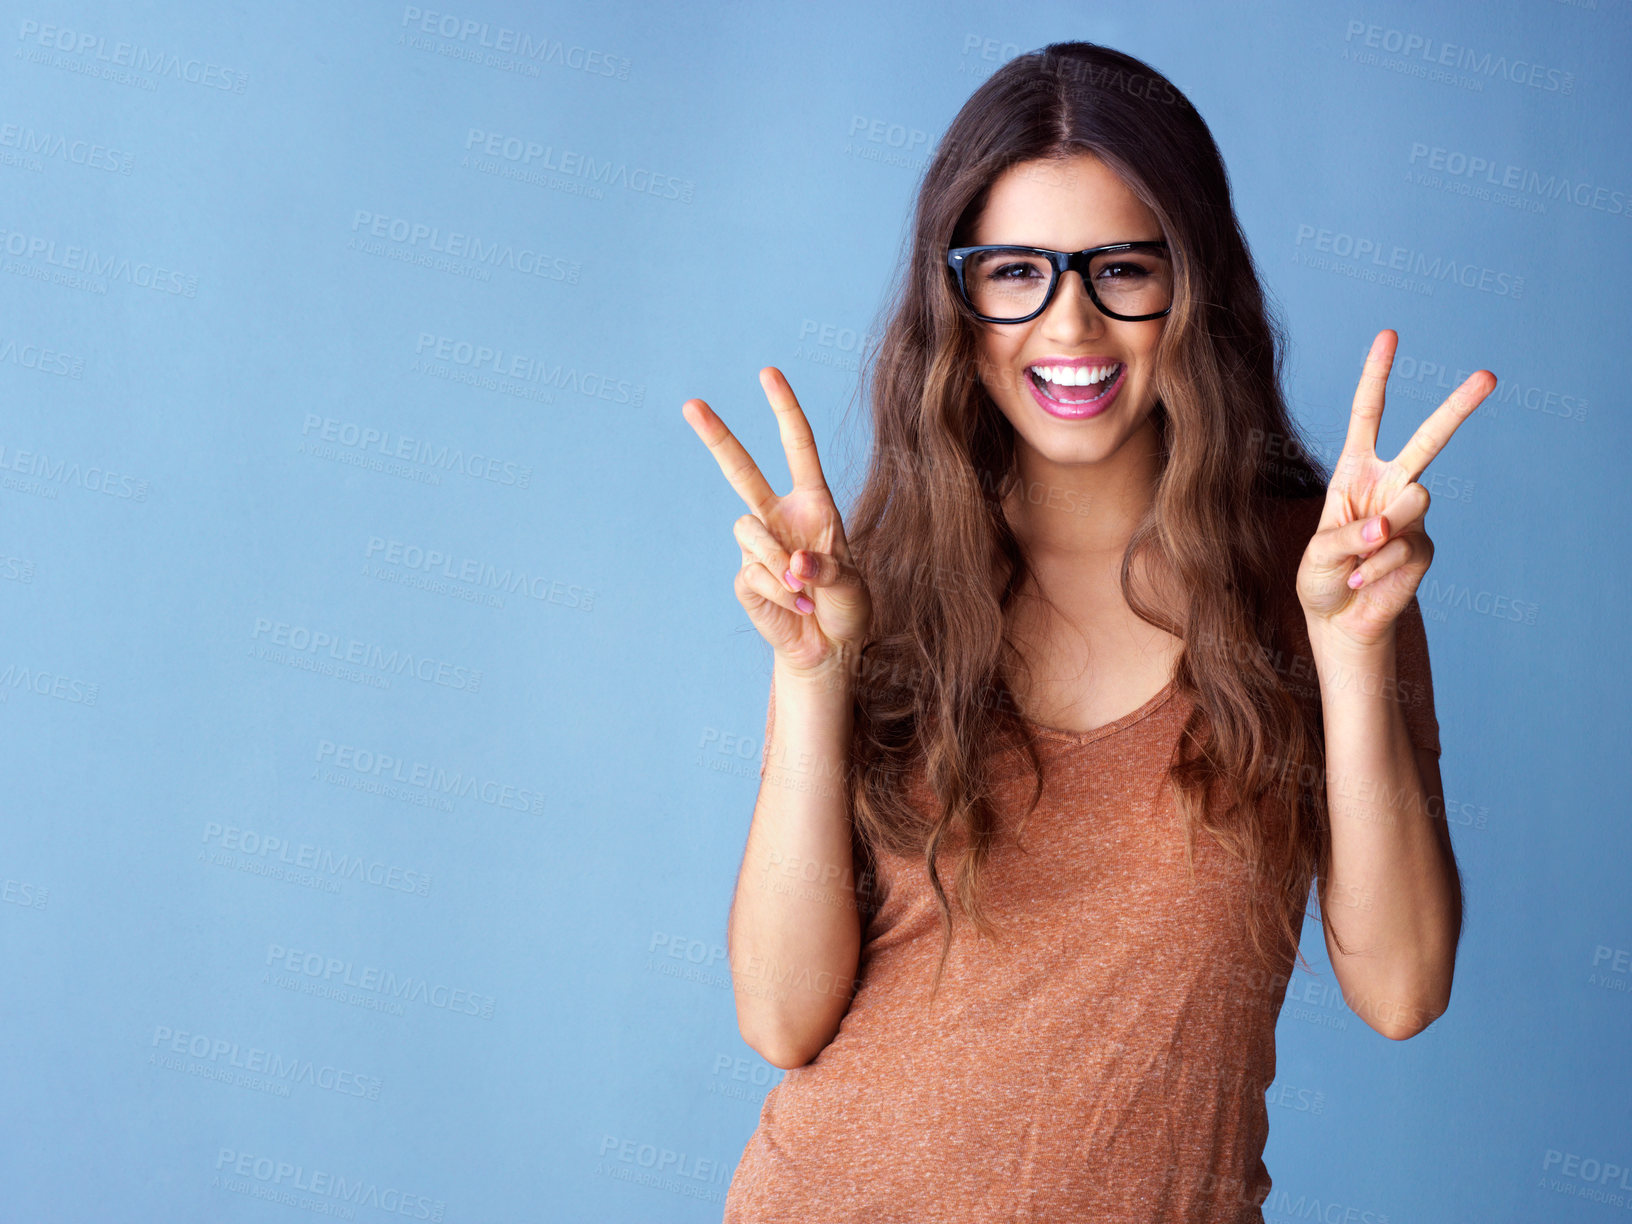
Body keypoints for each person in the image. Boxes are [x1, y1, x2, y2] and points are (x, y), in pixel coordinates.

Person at [681, 39, 1489, 1223]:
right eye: (1015, 273)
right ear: (955, 299)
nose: (1070, 325)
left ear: (1192, 283)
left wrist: (1353, 653)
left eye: (1121, 268)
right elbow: (780, 1017)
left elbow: (1405, 988)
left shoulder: (1323, 578)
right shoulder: (877, 581)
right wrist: (812, 674)